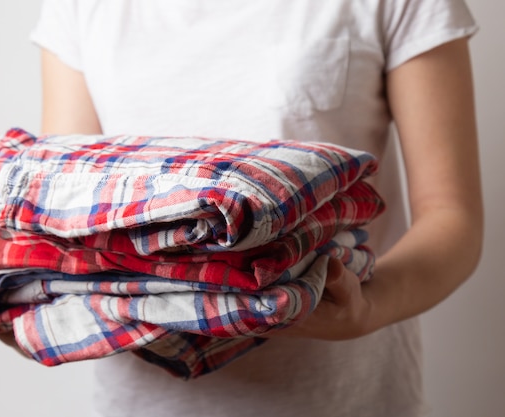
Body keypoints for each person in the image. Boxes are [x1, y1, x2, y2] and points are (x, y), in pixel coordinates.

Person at [28, 0, 483, 416]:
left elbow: (450, 213)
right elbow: (70, 214)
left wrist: (369, 306)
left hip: (344, 395)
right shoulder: (82, 7)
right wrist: (23, 301)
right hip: (145, 397)